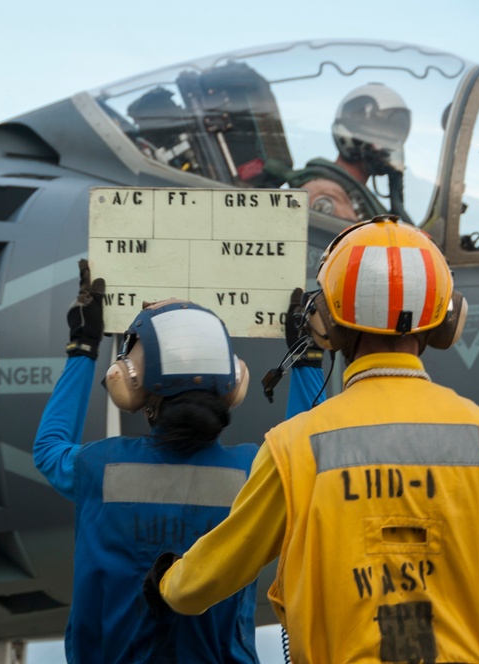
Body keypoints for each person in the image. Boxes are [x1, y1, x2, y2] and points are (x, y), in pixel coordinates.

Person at [145, 215, 479, 662]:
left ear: (325, 324)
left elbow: (213, 573)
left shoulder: (293, 446)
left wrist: (169, 583)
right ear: (445, 321)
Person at [33, 260, 324, 663]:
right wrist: (306, 356)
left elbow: (48, 447)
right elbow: (309, 454)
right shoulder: (252, 472)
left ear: (130, 382)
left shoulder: (98, 467)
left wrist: (83, 345)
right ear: (232, 384)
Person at [289, 83, 412, 223]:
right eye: (382, 136)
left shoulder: (357, 197)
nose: (391, 147)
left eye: (394, 139)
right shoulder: (325, 192)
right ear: (353, 137)